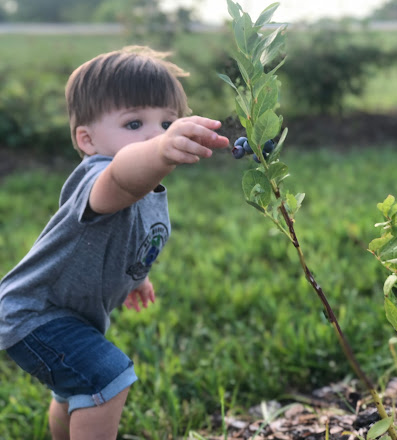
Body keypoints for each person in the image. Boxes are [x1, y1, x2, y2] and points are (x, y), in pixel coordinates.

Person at [0, 46, 229, 440]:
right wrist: (158, 149)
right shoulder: (99, 177)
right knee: (108, 376)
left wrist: (135, 278)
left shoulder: (148, 190)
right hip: (34, 314)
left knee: (74, 389)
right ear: (87, 140)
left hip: (61, 315)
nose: (156, 134)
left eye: (167, 122)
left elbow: (127, 239)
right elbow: (123, 178)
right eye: (135, 123)